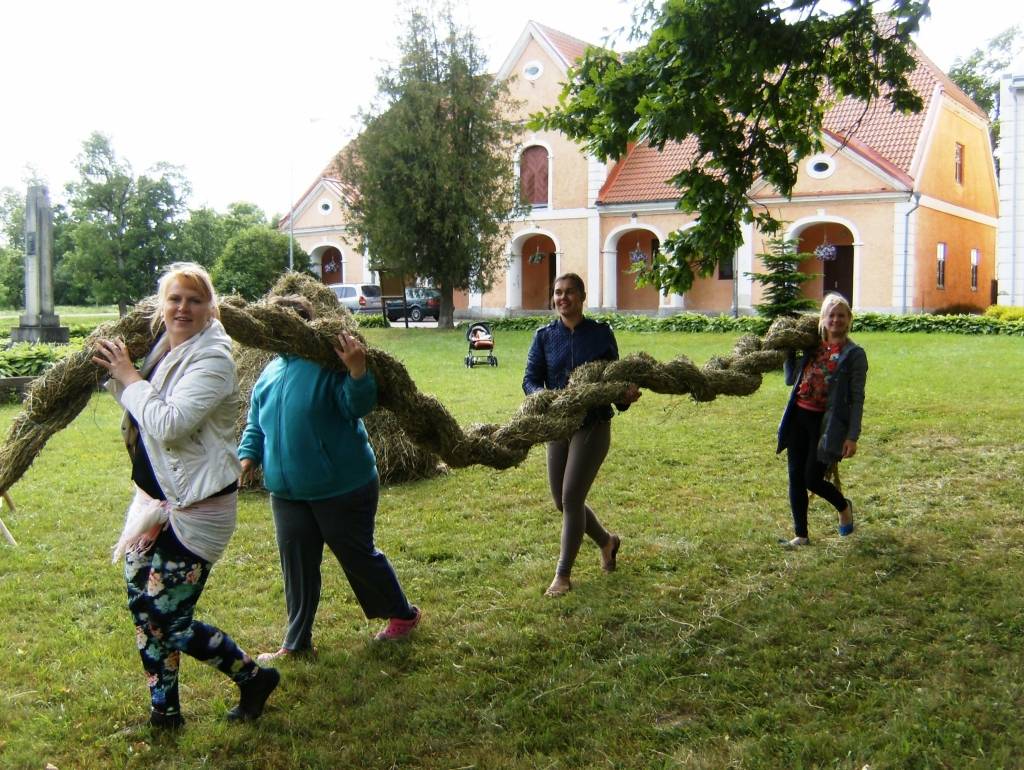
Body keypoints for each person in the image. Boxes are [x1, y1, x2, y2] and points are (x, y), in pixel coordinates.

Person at [91, 262, 279, 730]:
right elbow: (136, 400)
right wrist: (123, 375)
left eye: (195, 300)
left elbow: (169, 422)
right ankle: (165, 712)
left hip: (198, 508)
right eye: (175, 298)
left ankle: (253, 677)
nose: (183, 308)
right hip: (155, 501)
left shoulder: (213, 358)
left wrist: (129, 377)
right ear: (162, 304)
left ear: (210, 307)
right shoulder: (160, 346)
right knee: (145, 612)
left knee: (167, 617)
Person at [238, 295, 420, 662]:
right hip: (286, 491)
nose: (281, 331)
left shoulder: (328, 363)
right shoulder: (270, 371)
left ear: (306, 325)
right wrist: (248, 457)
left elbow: (358, 406)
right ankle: (297, 641)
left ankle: (402, 614)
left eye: (289, 323)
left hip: (342, 484)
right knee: (297, 566)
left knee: (357, 555)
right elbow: (256, 422)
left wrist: (356, 371)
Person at [523, 273, 641, 597]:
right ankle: (607, 541)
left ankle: (562, 575)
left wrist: (625, 396)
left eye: (569, 292)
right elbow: (530, 380)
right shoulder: (544, 336)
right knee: (561, 501)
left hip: (593, 423)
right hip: (557, 425)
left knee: (572, 497)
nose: (563, 298)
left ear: (582, 296)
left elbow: (615, 380)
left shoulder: (601, 334)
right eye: (558, 293)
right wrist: (544, 398)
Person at [776, 292, 868, 546]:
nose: (836, 320)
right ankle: (801, 535)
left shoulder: (854, 354)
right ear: (823, 318)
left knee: (812, 479)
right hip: (798, 418)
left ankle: (843, 505)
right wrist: (788, 350)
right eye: (831, 315)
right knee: (795, 477)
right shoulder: (811, 346)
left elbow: (857, 398)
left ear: (849, 319)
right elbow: (789, 379)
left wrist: (852, 436)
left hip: (826, 425)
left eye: (841, 315)